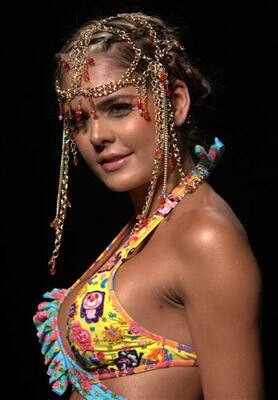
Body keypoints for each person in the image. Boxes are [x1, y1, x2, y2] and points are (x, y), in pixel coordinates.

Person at [33, 12, 264, 400]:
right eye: (79, 120)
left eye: (119, 108)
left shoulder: (205, 237)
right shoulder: (147, 226)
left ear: (174, 103)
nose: (97, 136)